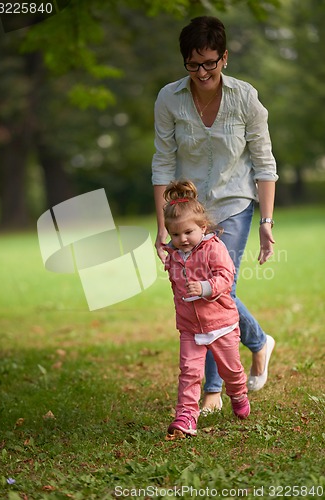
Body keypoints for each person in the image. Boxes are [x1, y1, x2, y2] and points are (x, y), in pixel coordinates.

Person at [152, 15, 277, 413]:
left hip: (233, 204)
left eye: (210, 62)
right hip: (187, 211)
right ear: (185, 62)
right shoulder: (169, 99)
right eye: (193, 64)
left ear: (224, 58)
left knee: (219, 288)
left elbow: (264, 163)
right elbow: (162, 163)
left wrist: (267, 222)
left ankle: (212, 389)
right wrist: (161, 226)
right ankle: (258, 341)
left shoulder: (245, 98)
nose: (202, 72)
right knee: (200, 290)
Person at [163, 180, 250, 439]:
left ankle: (238, 393)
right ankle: (186, 415)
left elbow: (226, 276)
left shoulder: (214, 248)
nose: (182, 239)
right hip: (190, 327)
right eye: (175, 235)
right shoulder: (174, 254)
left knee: (231, 370)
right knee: (189, 372)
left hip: (221, 323)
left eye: (188, 232)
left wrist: (205, 287)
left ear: (202, 227)